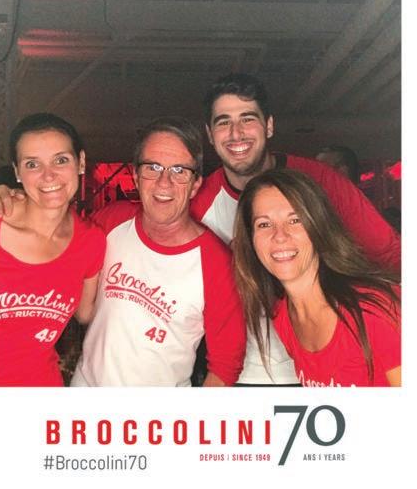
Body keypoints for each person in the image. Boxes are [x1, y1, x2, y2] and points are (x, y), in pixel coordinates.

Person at [190, 72, 401, 385]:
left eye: (248, 118)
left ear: (269, 125)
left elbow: (391, 254)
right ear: (210, 134)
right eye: (223, 122)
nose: (236, 133)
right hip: (246, 372)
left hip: (339, 357)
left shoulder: (323, 182)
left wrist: (381, 321)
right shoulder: (199, 205)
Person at [69, 116, 246, 386]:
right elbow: (56, 242)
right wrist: (13, 202)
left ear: (195, 184)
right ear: (136, 177)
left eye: (179, 170)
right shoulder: (111, 221)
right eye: (153, 167)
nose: (164, 183)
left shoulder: (217, 263)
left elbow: (225, 365)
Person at [233, 168, 401, 387]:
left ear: (319, 226)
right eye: (264, 224)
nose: (280, 236)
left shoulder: (376, 309)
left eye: (295, 220)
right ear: (251, 239)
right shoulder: (284, 316)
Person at [0, 113, 106, 386]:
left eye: (61, 160)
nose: (48, 175)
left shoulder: (91, 241)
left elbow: (85, 313)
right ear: (17, 172)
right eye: (32, 164)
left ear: (81, 162)